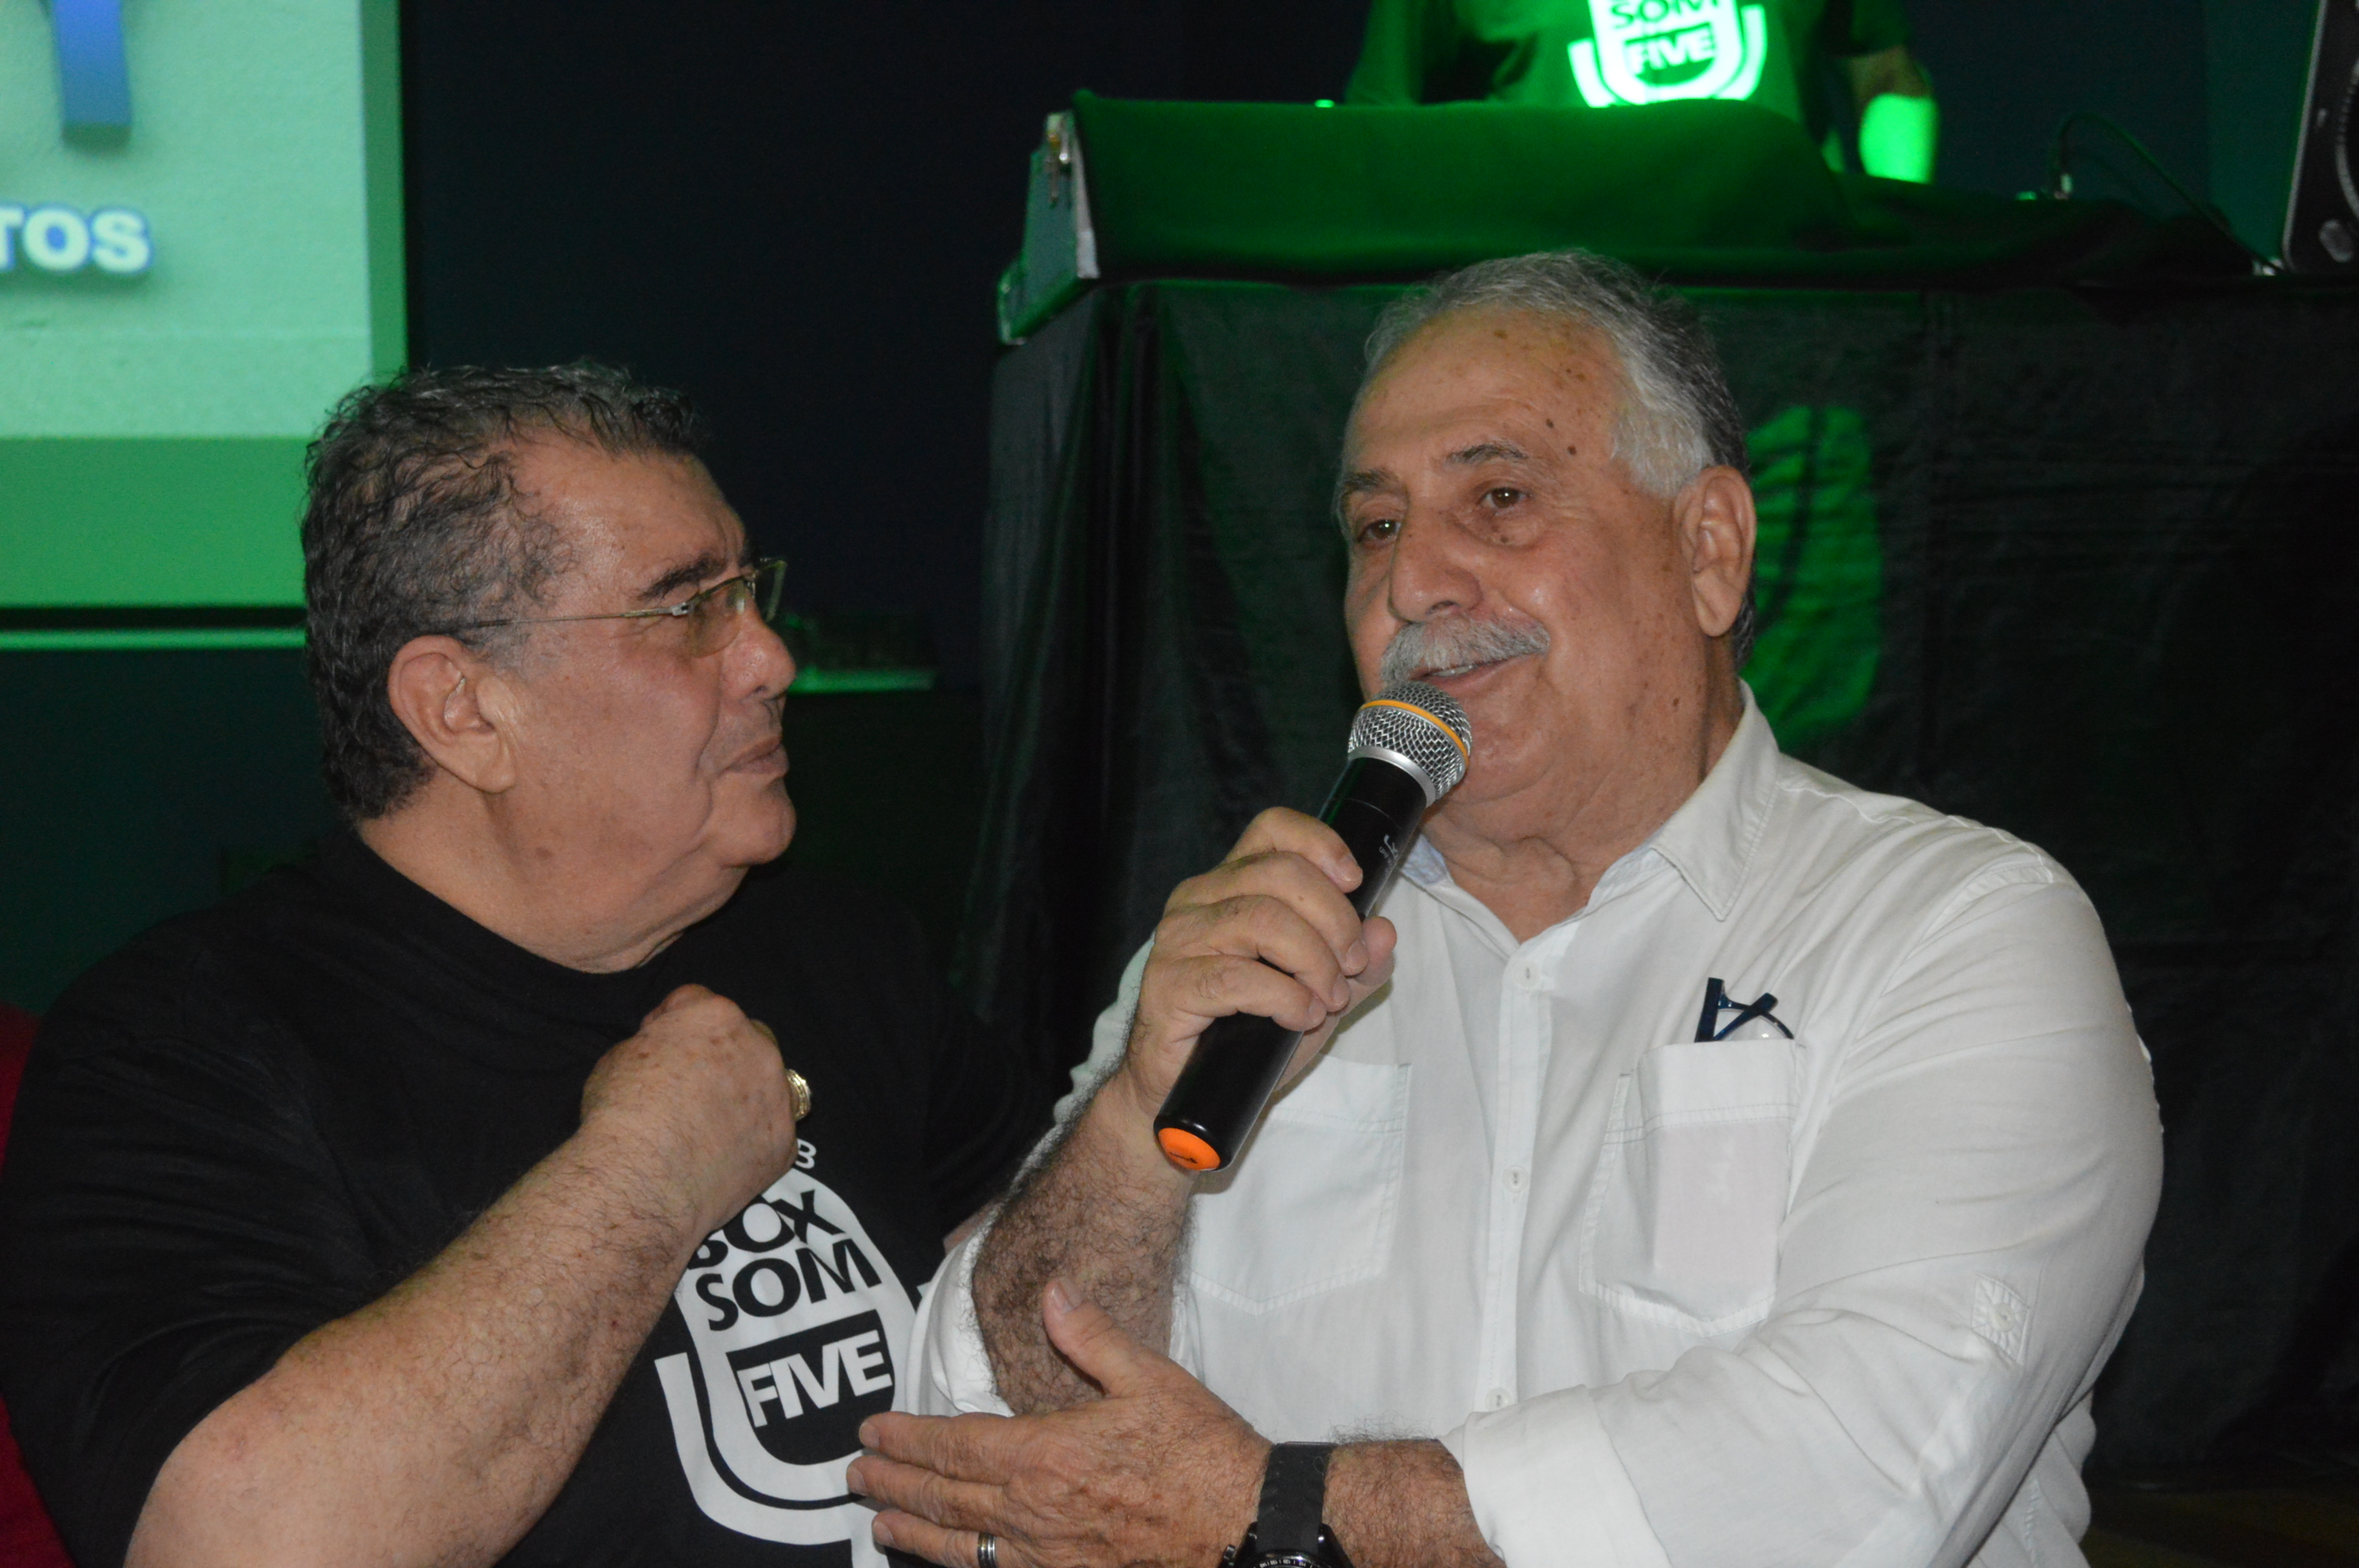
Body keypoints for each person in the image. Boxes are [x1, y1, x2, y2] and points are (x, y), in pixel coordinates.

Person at [848, 251, 2162, 1568]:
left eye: (1500, 499)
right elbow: (978, 1437)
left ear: (1709, 551)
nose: (1414, 580)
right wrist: (1134, 1127)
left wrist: (1277, 1520)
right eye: (1375, 528)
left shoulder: (1954, 934)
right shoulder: (1254, 950)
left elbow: (1859, 1472)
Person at [0, 365, 1050, 1568]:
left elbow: (1039, 1308)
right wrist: (649, 1173)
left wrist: (1144, 1092)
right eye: (686, 609)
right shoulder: (181, 1049)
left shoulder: (837, 947)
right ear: (464, 711)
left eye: (748, 592)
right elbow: (240, 1544)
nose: (771, 659)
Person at [1346, 0, 1939, 183]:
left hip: (1789, 307)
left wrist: (1899, 226)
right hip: (1568, 324)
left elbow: (1887, 75)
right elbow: (1379, 135)